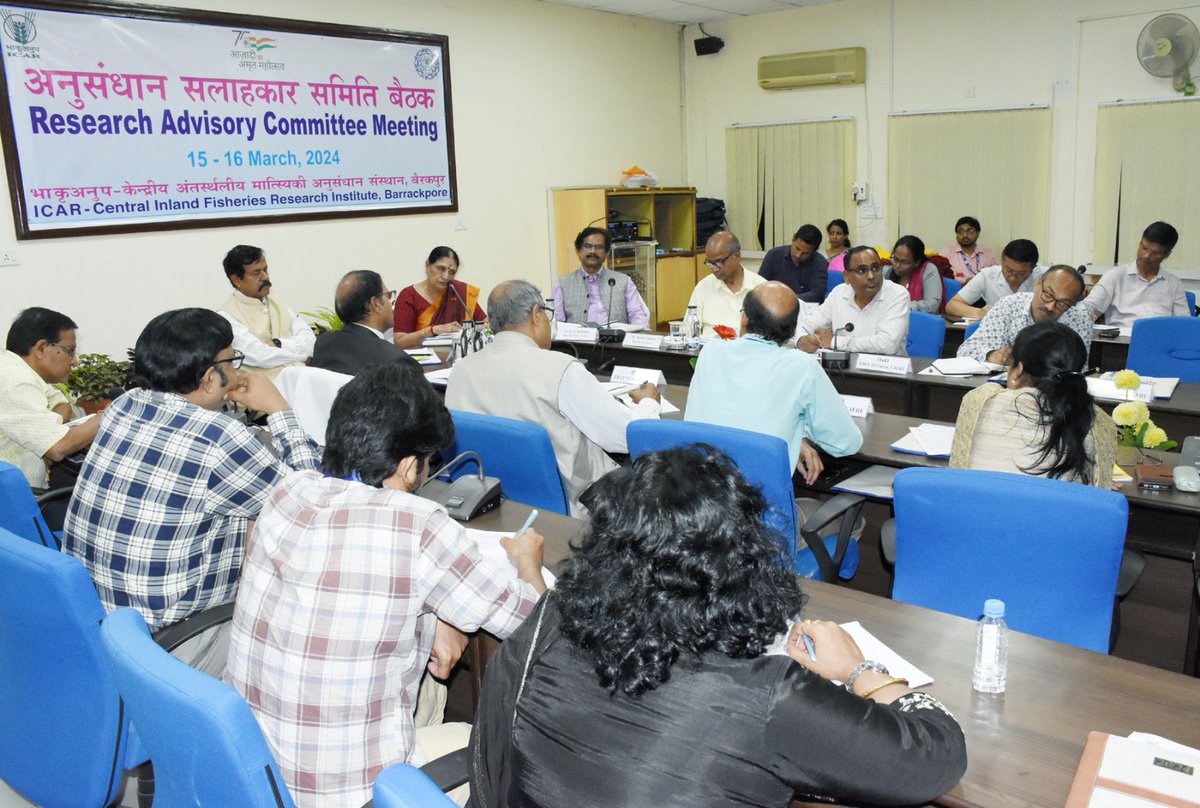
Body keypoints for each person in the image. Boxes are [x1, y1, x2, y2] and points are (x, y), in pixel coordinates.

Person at [469, 447, 968, 808]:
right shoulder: (765, 696)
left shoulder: (553, 618)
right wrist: (860, 668)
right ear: (741, 561)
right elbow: (934, 758)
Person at [225, 362, 546, 808]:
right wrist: (529, 564)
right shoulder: (415, 525)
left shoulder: (286, 491)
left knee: (428, 680)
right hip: (354, 795)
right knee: (491, 745)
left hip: (253, 773)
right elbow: (534, 625)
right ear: (409, 465)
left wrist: (439, 614)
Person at [63, 308, 321, 676]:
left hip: (97, 623)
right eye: (231, 361)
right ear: (207, 378)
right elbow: (313, 506)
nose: (236, 372)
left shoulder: (124, 405)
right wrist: (279, 409)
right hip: (169, 644)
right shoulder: (219, 438)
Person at [446, 280, 660, 514]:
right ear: (536, 315)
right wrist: (649, 402)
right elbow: (624, 436)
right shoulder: (560, 368)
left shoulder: (461, 370)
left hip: (493, 503)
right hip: (571, 508)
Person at [687, 281, 862, 480]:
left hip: (699, 491)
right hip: (758, 501)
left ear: (744, 318)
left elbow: (738, 414)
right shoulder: (802, 367)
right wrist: (797, 436)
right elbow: (846, 443)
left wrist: (796, 436)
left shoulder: (711, 351)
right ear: (792, 329)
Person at [951, 321, 1116, 487]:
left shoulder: (979, 400)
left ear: (1018, 371)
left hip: (978, 508)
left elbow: (958, 472)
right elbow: (1100, 487)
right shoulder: (1101, 423)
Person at [0, 307, 99, 490]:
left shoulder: (21, 370)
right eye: (69, 351)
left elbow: (62, 404)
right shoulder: (14, 381)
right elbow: (58, 447)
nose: (74, 361)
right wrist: (107, 415)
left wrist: (43, 433)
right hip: (16, 502)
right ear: (41, 348)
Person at [957, 265, 1091, 366]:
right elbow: (965, 351)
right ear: (1038, 284)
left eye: (1062, 304)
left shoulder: (1080, 320)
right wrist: (992, 355)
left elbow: (1078, 369)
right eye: (1047, 295)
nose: (1050, 306)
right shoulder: (1009, 305)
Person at [217, 245, 316, 380]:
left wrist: (278, 343)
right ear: (236, 280)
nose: (265, 277)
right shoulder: (226, 316)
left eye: (265, 270)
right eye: (256, 273)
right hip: (263, 391)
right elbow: (261, 356)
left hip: (300, 379)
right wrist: (302, 356)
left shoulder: (280, 306)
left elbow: (310, 341)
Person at [796, 245, 911, 356]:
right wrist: (801, 340)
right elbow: (805, 325)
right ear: (847, 276)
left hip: (886, 371)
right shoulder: (839, 293)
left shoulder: (898, 294)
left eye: (876, 268)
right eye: (862, 270)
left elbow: (887, 344)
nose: (871, 276)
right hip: (844, 371)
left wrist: (834, 342)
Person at [312, 270, 422, 376]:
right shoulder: (397, 361)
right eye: (388, 296)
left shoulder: (323, 344)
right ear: (376, 304)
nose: (391, 302)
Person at [1084, 221, 1189, 327]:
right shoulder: (1115, 276)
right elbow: (1089, 306)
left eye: (1155, 253)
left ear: (1167, 254)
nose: (1146, 255)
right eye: (1144, 248)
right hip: (1123, 339)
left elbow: (1184, 323)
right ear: (1140, 243)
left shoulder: (1174, 284)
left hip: (1160, 339)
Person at [551, 227, 650, 329]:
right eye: (588, 246)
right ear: (578, 251)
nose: (593, 251)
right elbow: (556, 322)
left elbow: (637, 315)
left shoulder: (624, 281)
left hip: (615, 342)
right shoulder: (563, 284)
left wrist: (640, 336)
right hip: (577, 343)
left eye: (599, 247)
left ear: (607, 253)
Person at [393, 246, 488, 349]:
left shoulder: (459, 292)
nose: (446, 276)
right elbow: (400, 341)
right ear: (427, 266)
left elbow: (485, 324)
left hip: (459, 359)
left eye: (451, 272)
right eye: (441, 269)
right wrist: (432, 330)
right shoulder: (409, 296)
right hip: (421, 361)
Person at [687, 231, 766, 334]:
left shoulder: (761, 288)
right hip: (710, 347)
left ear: (736, 256)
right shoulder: (703, 287)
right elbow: (689, 330)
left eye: (719, 262)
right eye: (710, 263)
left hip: (747, 348)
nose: (714, 269)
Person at [945, 239, 1044, 319]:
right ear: (1002, 260)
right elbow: (952, 305)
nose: (1013, 278)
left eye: (1021, 273)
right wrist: (980, 313)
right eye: (1008, 270)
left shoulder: (1045, 277)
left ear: (1034, 268)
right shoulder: (988, 275)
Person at [758, 224, 828, 302]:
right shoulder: (774, 254)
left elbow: (817, 293)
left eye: (805, 253)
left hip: (804, 306)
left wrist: (789, 299)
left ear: (814, 251)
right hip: (774, 303)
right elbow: (760, 283)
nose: (798, 255)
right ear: (793, 239)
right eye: (797, 248)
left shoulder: (820, 263)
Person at [885, 235, 944, 313]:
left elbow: (931, 305)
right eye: (895, 259)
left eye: (904, 262)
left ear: (917, 262)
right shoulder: (887, 271)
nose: (897, 265)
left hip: (920, 321)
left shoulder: (928, 270)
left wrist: (899, 306)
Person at [944, 216, 999, 281]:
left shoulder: (989, 254)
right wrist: (963, 281)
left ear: (978, 233)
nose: (965, 235)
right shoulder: (946, 253)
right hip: (957, 290)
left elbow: (999, 275)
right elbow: (942, 277)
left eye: (970, 231)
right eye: (961, 231)